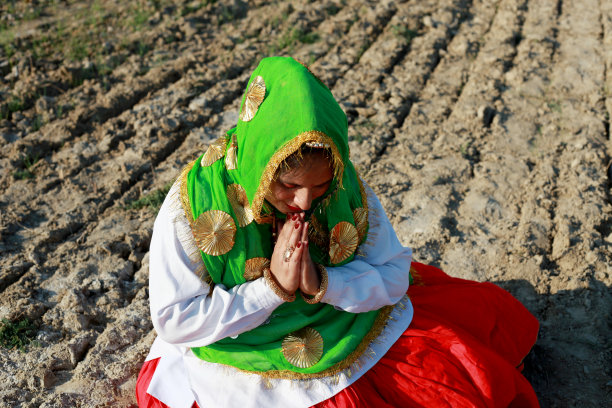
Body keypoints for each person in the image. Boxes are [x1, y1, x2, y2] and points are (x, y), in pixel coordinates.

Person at [136, 56, 539, 407]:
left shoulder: (346, 186)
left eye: (320, 186)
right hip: (241, 352)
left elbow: (393, 273)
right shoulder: (191, 204)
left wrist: (323, 282)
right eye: (289, 187)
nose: (305, 204)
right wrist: (270, 289)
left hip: (342, 325)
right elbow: (174, 319)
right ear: (258, 163)